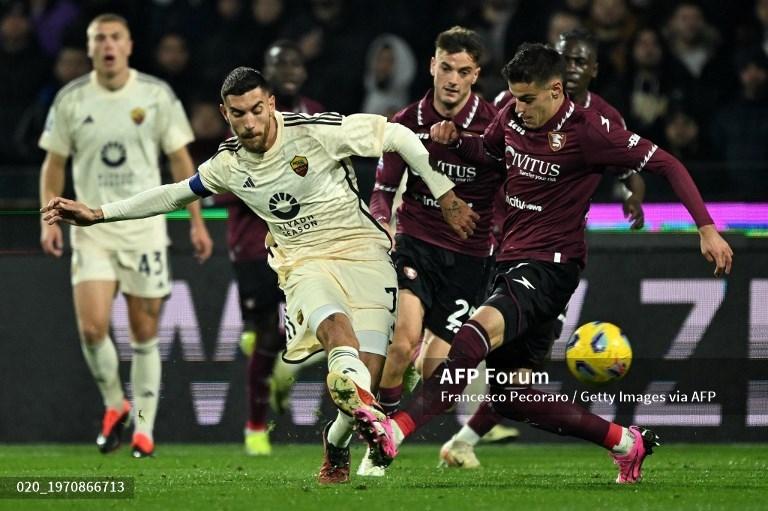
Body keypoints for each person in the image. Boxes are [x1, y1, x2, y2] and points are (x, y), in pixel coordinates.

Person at [41, 66, 478, 483]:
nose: (248, 123)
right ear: (225, 113)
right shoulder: (229, 163)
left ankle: (336, 441)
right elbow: (175, 193)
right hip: (303, 261)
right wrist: (98, 213)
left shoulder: (316, 131)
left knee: (365, 377)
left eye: (255, 110)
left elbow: (398, 134)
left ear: (270, 103)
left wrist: (445, 193)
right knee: (337, 337)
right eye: (237, 114)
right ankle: (359, 410)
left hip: (365, 254)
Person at [351, 43, 733, 484]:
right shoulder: (512, 115)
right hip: (509, 260)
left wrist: (705, 228)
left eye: (528, 99)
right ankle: (627, 443)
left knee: (472, 337)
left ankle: (393, 432)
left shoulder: (591, 131)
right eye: (514, 97)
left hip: (551, 267)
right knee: (512, 396)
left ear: (555, 90)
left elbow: (665, 163)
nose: (518, 107)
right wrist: (457, 141)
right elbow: (487, 153)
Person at [438, 28, 648, 470]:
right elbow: (489, 156)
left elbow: (631, 164)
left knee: (516, 376)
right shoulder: (519, 103)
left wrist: (633, 191)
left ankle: (458, 438)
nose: (571, 69)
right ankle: (448, 433)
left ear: (593, 69)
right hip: (498, 241)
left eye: (579, 62)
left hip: (548, 253)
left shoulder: (603, 120)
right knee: (497, 364)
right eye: (564, 59)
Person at [38, 13, 213, 458]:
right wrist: (48, 218)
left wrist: (196, 223)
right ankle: (115, 405)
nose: (108, 45)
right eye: (99, 39)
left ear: (130, 45)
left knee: (143, 332)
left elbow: (180, 164)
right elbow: (53, 164)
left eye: (115, 37)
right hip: (90, 228)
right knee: (93, 328)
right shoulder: (71, 99)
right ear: (90, 47)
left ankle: (144, 429)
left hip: (143, 228)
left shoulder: (155, 95)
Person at [368, 26, 505, 475]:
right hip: (417, 242)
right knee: (402, 343)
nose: (451, 79)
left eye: (462, 71)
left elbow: (509, 186)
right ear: (431, 65)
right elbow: (384, 189)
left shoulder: (493, 127)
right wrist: (381, 222)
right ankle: (378, 448)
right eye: (445, 67)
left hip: (468, 258)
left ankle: (398, 421)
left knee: (437, 377)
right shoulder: (405, 122)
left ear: (475, 76)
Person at [224, 40, 326, 456]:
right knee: (266, 334)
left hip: (306, 239)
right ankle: (254, 426)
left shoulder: (317, 116)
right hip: (254, 244)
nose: (288, 68)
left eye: (294, 62)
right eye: (278, 62)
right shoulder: (247, 123)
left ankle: (284, 375)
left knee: (327, 323)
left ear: (303, 70)